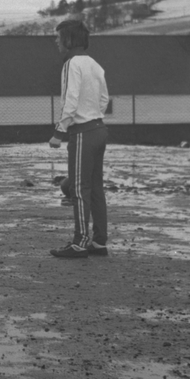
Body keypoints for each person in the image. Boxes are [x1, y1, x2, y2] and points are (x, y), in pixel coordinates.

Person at [48, 19, 110, 258]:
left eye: (58, 37)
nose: (56, 41)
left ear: (69, 40)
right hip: (98, 129)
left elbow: (70, 100)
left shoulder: (71, 64)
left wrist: (59, 132)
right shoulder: (95, 64)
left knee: (79, 188)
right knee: (95, 188)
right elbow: (104, 98)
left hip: (82, 132)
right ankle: (99, 242)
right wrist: (94, 116)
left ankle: (80, 242)